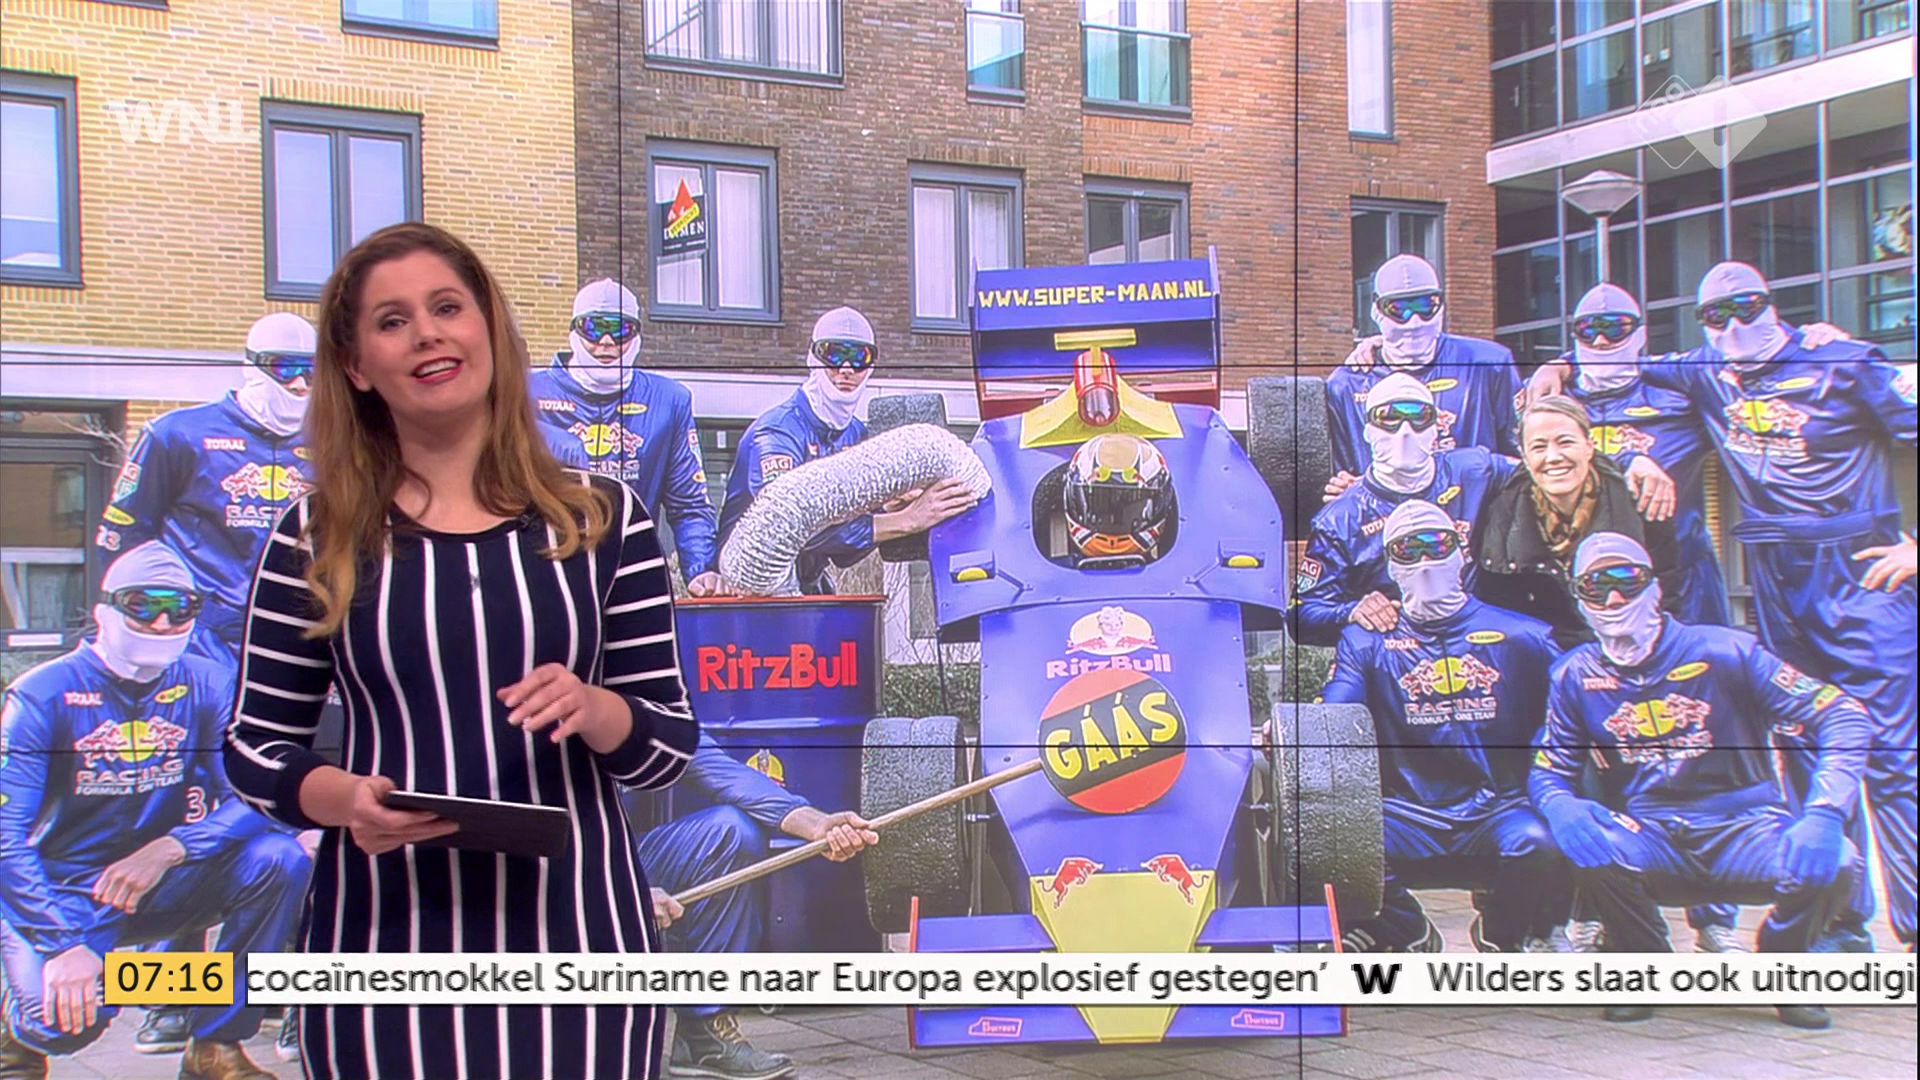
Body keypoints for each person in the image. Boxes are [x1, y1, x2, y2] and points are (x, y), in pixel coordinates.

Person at [221, 222, 699, 1080]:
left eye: (448, 307)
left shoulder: (606, 520)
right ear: (357, 366)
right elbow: (256, 747)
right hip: (382, 942)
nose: (427, 333)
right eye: (392, 321)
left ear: (491, 332)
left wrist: (595, 708)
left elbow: (667, 744)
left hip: (580, 938)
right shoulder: (315, 534)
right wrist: (343, 800)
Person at [1529, 261, 1917, 951]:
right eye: (1717, 315)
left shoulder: (1844, 361)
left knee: (1891, 756)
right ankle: (1843, 927)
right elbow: (1613, 359)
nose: (1735, 325)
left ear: (1775, 303)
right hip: (1774, 577)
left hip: (1860, 569)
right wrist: (1556, 365)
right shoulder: (1704, 370)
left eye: (1749, 308)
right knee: (1804, 747)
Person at [1531, 533, 1872, 1028]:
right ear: (1579, 598)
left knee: (1839, 859)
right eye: (1595, 585)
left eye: (1627, 580)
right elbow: (1550, 770)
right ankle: (1642, 964)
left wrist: (1825, 811)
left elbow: (1844, 714)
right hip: (1653, 833)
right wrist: (1560, 806)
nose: (1614, 597)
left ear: (1654, 588)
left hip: (1746, 826)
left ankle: (1785, 966)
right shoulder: (1572, 675)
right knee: (1582, 841)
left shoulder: (1728, 650)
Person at [0, 543, 309, 1080]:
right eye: (142, 605)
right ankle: (15, 1020)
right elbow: (5, 836)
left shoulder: (208, 682)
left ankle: (216, 1045)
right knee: (62, 1022)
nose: (163, 622)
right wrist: (62, 945)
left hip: (166, 879)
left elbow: (256, 793)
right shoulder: (42, 695)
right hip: (65, 891)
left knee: (279, 859)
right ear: (104, 611)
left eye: (181, 607)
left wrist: (174, 847)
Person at [1312, 501, 1570, 954]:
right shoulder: (1366, 641)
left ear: (1461, 551)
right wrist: (1299, 728)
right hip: (1407, 812)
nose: (1425, 560)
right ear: (1390, 564)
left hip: (1499, 809)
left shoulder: (1524, 636)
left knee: (1545, 839)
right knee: (1326, 838)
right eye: (1407, 550)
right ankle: (1409, 933)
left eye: (1437, 544)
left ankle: (1503, 937)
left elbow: (1572, 716)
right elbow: (1336, 718)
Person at [639, 735, 877, 1079]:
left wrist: (816, 824)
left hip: (627, 854)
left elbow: (720, 771)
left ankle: (704, 1035)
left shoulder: (642, 708)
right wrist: (621, 889)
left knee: (731, 832)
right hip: (563, 871)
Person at [95, 312, 317, 667]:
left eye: (312, 370)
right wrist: (145, 620)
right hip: (200, 635)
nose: (300, 384)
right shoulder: (178, 435)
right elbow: (123, 536)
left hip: (295, 632)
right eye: (285, 368)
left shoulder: (332, 443)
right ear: (252, 365)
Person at [717, 307, 975, 594]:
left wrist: (890, 505)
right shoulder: (777, 433)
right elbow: (784, 526)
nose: (847, 369)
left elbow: (844, 554)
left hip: (808, 588)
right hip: (749, 594)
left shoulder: (855, 433)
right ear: (813, 358)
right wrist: (906, 520)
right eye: (834, 355)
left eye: (860, 357)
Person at [530, 278, 723, 596]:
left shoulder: (668, 401)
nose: (606, 342)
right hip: (547, 571)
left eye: (620, 329)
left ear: (636, 334)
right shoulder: (526, 394)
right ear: (574, 330)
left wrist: (701, 569)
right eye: (594, 328)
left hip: (631, 571)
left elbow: (689, 504)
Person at [1294, 374, 1521, 646]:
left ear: (1436, 428)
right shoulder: (1340, 519)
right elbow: (1300, 616)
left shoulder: (1475, 470)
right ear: (1367, 430)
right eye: (1388, 418)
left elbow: (1541, 473)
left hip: (1481, 641)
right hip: (1396, 652)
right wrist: (1353, 611)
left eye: (1418, 417)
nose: (1404, 431)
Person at [1474, 395, 1683, 651]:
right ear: (1525, 459)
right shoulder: (1504, 514)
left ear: (1589, 446)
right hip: (1550, 652)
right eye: (1539, 447)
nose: (1553, 457)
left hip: (1634, 644)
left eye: (1565, 442)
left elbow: (1666, 597)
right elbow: (1507, 615)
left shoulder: (1639, 499)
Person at [1327, 254, 1523, 479]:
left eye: (1426, 306)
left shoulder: (1488, 364)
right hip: (1385, 501)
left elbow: (1521, 455)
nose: (1414, 322)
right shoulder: (1347, 384)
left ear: (1441, 305)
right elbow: (1340, 473)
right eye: (1399, 309)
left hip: (1475, 499)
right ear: (1376, 310)